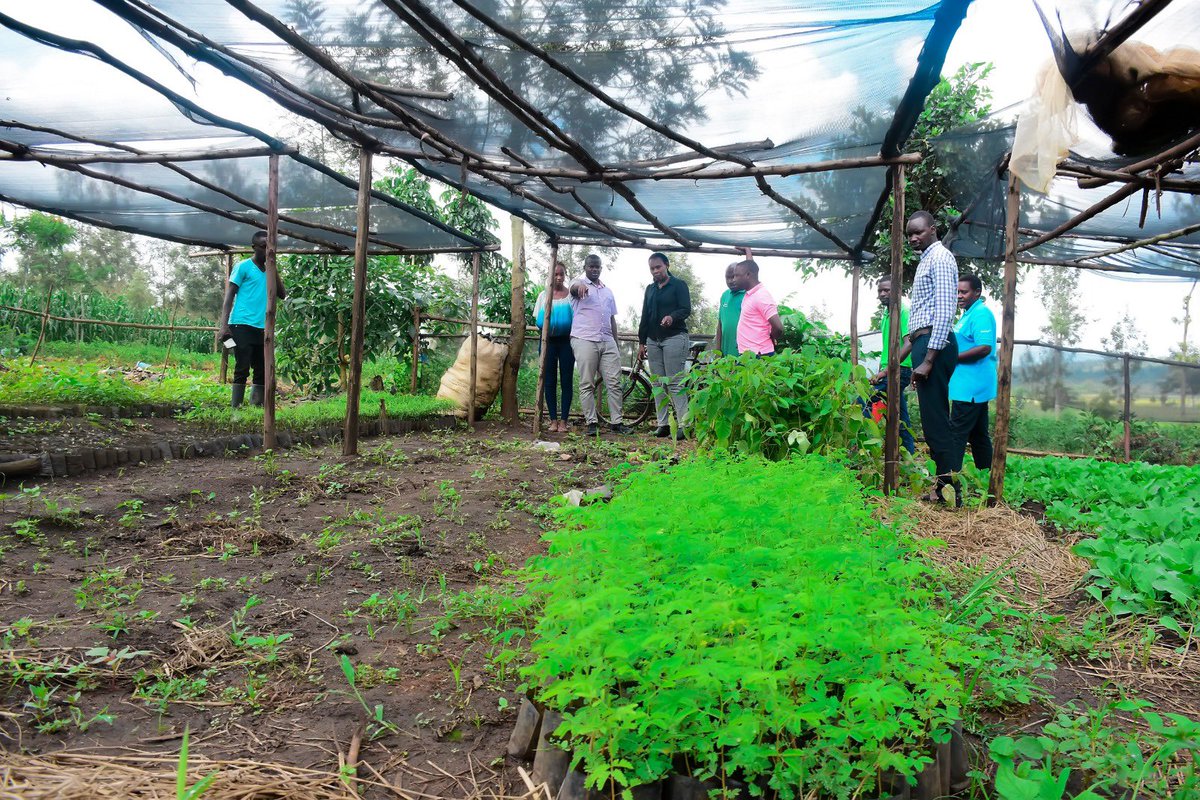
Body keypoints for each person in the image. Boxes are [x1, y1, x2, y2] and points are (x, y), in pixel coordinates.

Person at [904, 210, 960, 505]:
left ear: (933, 230)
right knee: (933, 417)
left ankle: (949, 489)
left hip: (933, 344)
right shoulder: (927, 258)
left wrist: (928, 358)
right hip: (924, 342)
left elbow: (944, 309)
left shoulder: (940, 258)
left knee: (936, 420)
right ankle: (944, 486)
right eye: (910, 234)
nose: (913, 238)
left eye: (918, 232)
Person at [218, 230, 286, 408]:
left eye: (271, 247)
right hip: (241, 324)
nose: (267, 250)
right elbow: (229, 296)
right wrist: (223, 326)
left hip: (261, 328)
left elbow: (282, 294)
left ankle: (256, 407)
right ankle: (236, 409)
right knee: (242, 367)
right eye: (264, 247)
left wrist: (273, 268)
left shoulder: (270, 271)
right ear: (254, 247)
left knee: (262, 368)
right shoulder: (243, 267)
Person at [569, 254, 630, 435]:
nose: (594, 269)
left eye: (597, 267)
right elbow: (573, 288)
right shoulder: (578, 283)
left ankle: (617, 422)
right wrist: (579, 286)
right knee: (587, 383)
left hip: (607, 340)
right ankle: (591, 423)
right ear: (585, 267)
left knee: (614, 382)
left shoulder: (607, 291)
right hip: (584, 339)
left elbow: (612, 319)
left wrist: (616, 343)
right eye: (591, 267)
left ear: (601, 268)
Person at [637, 252, 691, 438]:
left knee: (675, 382)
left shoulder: (679, 285)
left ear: (666, 265)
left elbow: (686, 309)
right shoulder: (650, 289)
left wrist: (671, 317)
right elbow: (644, 316)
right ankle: (663, 424)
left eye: (658, 267)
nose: (655, 271)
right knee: (658, 383)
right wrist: (641, 342)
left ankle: (684, 425)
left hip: (674, 337)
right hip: (653, 339)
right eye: (652, 268)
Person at [948, 273, 997, 472]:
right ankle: (987, 474)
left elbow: (984, 347)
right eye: (957, 291)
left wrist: (952, 359)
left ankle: (948, 480)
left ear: (977, 292)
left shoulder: (981, 314)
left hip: (971, 387)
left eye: (964, 292)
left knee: (956, 434)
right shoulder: (967, 314)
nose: (959, 295)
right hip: (967, 385)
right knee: (978, 433)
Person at [867, 276, 916, 455]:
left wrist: (887, 370)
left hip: (899, 369)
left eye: (887, 290)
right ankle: (909, 458)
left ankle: (862, 447)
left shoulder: (903, 311)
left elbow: (909, 343)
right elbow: (888, 347)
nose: (882, 294)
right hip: (890, 370)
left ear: (898, 292)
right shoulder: (886, 315)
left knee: (864, 402)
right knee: (899, 417)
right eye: (880, 290)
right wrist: (882, 369)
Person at [535, 261, 574, 433]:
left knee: (566, 381)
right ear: (550, 275)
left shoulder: (571, 296)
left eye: (561, 274)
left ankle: (564, 421)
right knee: (549, 381)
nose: (558, 277)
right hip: (547, 343)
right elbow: (537, 320)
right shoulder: (543, 296)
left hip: (567, 343)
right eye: (555, 274)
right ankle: (552, 420)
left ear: (565, 275)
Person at [732, 259, 783, 356]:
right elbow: (751, 266)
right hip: (749, 354)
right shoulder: (750, 294)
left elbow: (779, 328)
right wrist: (748, 250)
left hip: (759, 355)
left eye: (736, 275)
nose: (734, 279)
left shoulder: (761, 296)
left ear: (748, 275)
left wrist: (770, 337)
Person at [713, 262, 744, 357]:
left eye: (734, 276)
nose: (731, 281)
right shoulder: (724, 295)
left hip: (743, 354)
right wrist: (718, 352)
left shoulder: (748, 295)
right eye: (728, 277)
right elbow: (720, 325)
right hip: (725, 352)